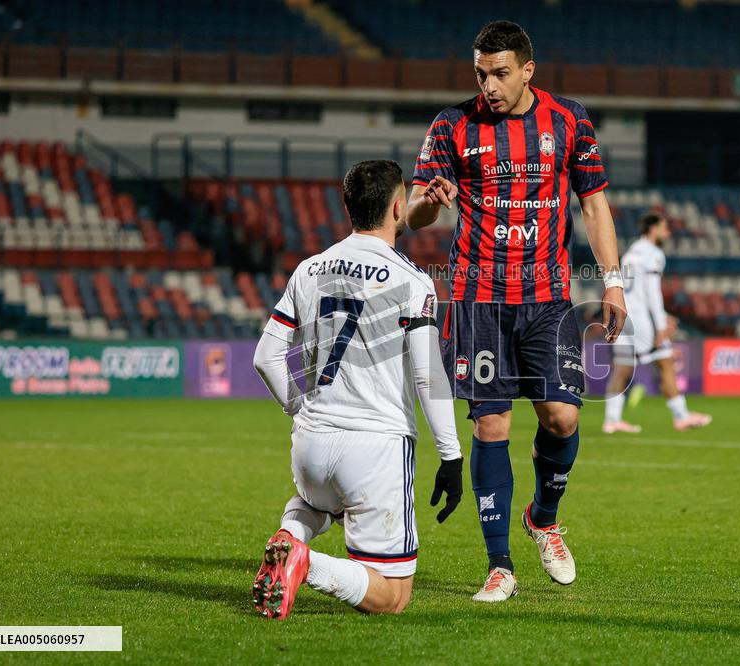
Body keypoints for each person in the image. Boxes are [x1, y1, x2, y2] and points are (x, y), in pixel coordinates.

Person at [405, 20, 627, 602]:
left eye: (500, 73)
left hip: (548, 297)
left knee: (562, 418)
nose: (489, 86)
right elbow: (412, 216)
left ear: (528, 70)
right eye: (481, 74)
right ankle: (499, 564)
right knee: (493, 425)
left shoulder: (569, 120)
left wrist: (613, 282)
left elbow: (595, 206)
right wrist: (430, 202)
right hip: (479, 298)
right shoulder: (452, 124)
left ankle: (543, 518)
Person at [250, 160, 464, 618]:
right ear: (398, 207)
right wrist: (451, 456)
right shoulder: (412, 280)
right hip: (374, 449)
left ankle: (290, 534)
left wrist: (299, 408)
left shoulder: (308, 269)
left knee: (319, 504)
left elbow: (265, 357)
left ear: (348, 207)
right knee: (393, 597)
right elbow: (428, 374)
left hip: (311, 446)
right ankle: (304, 563)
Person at [604, 212, 711, 433]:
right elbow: (651, 291)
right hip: (641, 319)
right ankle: (681, 416)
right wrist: (661, 324)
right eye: (664, 228)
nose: (668, 233)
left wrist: (661, 315)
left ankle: (612, 420)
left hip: (623, 314)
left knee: (623, 367)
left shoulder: (631, 252)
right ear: (653, 229)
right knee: (666, 362)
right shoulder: (653, 253)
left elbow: (633, 289)